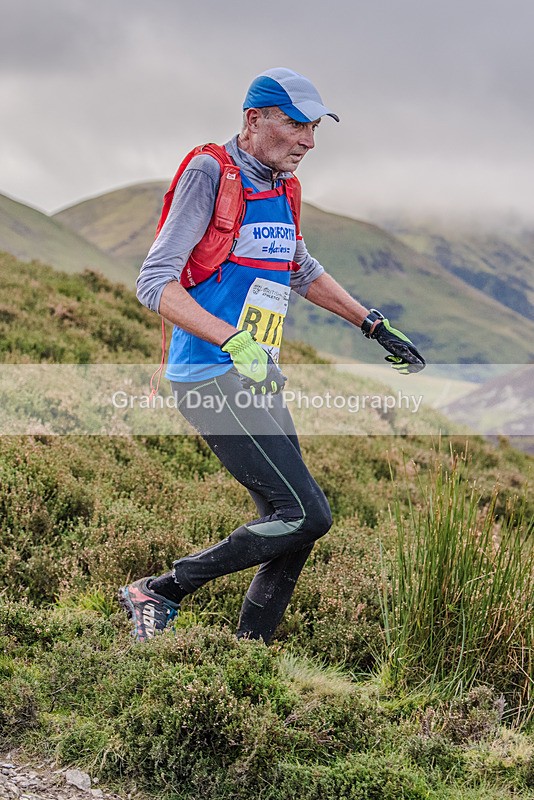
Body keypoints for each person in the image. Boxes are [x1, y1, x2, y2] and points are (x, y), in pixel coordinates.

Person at [119, 67, 425, 644]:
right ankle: (160, 589)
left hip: (258, 378)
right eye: (295, 125)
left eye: (313, 128)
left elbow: (298, 269)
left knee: (291, 525)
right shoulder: (212, 172)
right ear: (254, 120)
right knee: (308, 514)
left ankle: (250, 655)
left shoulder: (284, 184)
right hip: (210, 376)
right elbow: (155, 282)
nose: (308, 141)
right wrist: (232, 340)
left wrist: (372, 325)